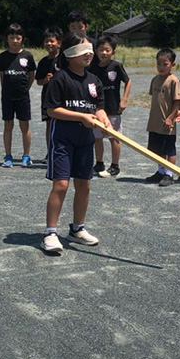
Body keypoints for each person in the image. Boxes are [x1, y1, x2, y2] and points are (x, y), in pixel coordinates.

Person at [41, 31, 111, 255]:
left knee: (84, 184)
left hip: (85, 141)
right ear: (70, 54)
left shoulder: (94, 81)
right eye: (83, 50)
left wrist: (104, 119)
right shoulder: (60, 79)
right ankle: (50, 232)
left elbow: (98, 107)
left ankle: (77, 229)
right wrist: (81, 117)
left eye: (90, 49)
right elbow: (52, 110)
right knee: (61, 185)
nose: (89, 54)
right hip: (62, 139)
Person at [89, 35, 132, 177]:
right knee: (97, 138)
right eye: (101, 49)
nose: (104, 53)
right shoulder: (92, 68)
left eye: (107, 50)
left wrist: (124, 99)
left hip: (113, 108)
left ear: (113, 51)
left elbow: (128, 81)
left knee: (114, 137)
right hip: (97, 109)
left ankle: (115, 165)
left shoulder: (116, 66)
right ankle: (99, 163)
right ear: (96, 51)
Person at [0, 23, 37, 167]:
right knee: (8, 125)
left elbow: (31, 76)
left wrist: (25, 89)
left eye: (18, 38)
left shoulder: (27, 56)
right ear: (7, 39)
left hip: (23, 97)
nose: (15, 41)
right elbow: (2, 77)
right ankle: (8, 156)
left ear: (22, 38)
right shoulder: (2, 57)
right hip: (7, 97)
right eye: (11, 38)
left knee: (24, 125)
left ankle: (26, 156)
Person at [145, 48, 180, 186]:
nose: (161, 67)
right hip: (155, 122)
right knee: (157, 149)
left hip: (168, 123)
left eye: (165, 64)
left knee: (169, 149)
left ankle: (169, 173)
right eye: (159, 64)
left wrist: (170, 118)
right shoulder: (155, 80)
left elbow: (178, 102)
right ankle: (161, 171)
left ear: (172, 64)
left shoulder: (173, 81)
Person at [35, 27, 62, 163]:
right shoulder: (43, 62)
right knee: (49, 125)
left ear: (59, 43)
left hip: (62, 98)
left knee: (63, 125)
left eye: (52, 41)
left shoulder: (64, 60)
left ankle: (62, 152)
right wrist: (45, 80)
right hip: (48, 97)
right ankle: (50, 152)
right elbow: (38, 81)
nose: (49, 44)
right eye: (46, 41)